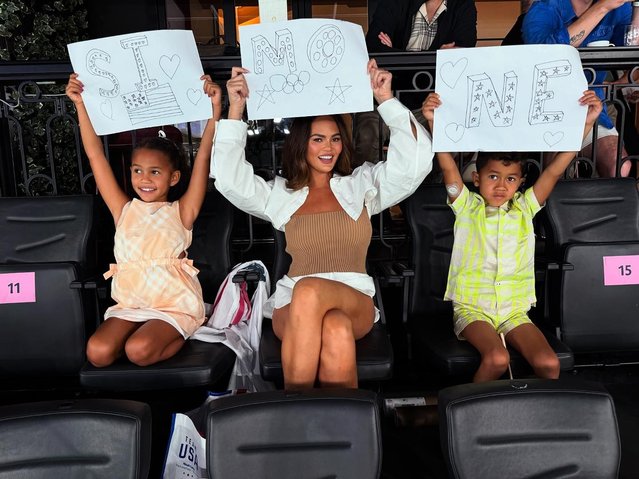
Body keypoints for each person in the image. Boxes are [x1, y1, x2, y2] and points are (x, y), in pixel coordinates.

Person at [212, 60, 433, 390]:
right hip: (293, 303)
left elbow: (414, 164)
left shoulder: (360, 186)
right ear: (303, 144)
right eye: (317, 139)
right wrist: (236, 109)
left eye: (334, 139)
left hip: (353, 294)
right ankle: (344, 436)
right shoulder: (282, 195)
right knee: (336, 329)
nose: (328, 148)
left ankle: (291, 418)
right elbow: (229, 179)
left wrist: (385, 99)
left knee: (311, 290)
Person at [422, 89, 602, 382]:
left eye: (510, 179)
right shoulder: (466, 207)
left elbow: (554, 171)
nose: (501, 186)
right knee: (496, 357)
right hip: (473, 308)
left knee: (549, 364)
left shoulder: (523, 209)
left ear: (520, 183)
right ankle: (467, 418)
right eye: (493, 177)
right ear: (477, 178)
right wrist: (434, 122)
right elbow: (447, 167)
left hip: (513, 311)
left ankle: (535, 422)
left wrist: (585, 126)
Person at [65, 73, 222, 367]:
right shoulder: (123, 209)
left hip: (171, 305)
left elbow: (202, 158)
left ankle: (187, 327)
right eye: (137, 171)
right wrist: (80, 105)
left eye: (155, 172)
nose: (144, 179)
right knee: (97, 353)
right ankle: (142, 334)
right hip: (131, 305)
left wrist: (214, 113)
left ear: (173, 177)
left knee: (138, 351)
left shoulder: (182, 210)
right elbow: (95, 156)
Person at [355, 0, 477, 166]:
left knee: (452, 135)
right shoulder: (396, 3)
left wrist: (395, 55)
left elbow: (462, 54)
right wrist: (437, 56)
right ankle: (370, 189)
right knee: (367, 134)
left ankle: (431, 190)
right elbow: (375, 47)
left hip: (432, 101)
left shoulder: (463, 5)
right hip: (385, 98)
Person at [522, 0, 632, 177]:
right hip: (546, 110)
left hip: (592, 105)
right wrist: (602, 7)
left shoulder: (619, 7)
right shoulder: (545, 7)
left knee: (619, 165)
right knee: (556, 173)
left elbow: (631, 47)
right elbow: (545, 56)